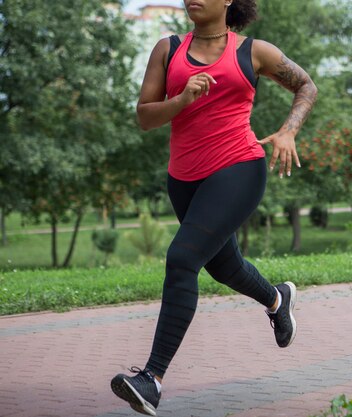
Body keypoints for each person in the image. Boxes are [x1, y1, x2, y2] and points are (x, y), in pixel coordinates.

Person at [110, 0, 317, 415]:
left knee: (182, 258)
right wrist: (182, 99)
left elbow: (306, 86)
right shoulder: (167, 49)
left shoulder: (253, 51)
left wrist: (288, 132)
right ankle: (277, 300)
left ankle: (151, 379)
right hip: (184, 178)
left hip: (239, 167)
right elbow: (145, 117)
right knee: (223, 266)